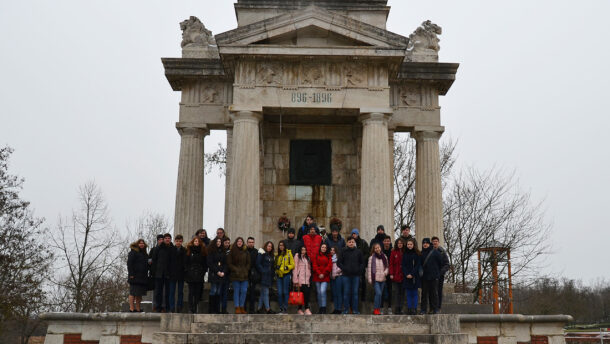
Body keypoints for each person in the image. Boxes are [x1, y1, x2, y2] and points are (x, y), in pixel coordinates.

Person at [338, 236, 365, 314]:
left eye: (352, 242)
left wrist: (359, 270)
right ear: (347, 243)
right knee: (346, 293)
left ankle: (355, 310)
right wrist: (344, 268)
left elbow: (362, 263)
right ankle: (346, 309)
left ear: (354, 243)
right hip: (346, 276)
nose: (351, 243)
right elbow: (339, 262)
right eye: (349, 242)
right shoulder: (343, 251)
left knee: (355, 293)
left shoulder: (359, 252)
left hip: (356, 276)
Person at [227, 237, 251, 314]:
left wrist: (246, 270)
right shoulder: (232, 251)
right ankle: (237, 307)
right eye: (238, 241)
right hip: (235, 275)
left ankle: (242, 306)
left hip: (244, 275)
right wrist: (236, 269)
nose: (239, 242)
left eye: (241, 241)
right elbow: (229, 263)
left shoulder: (246, 252)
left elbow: (249, 263)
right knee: (236, 291)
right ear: (236, 242)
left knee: (244, 291)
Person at [151, 233, 173, 312]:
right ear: (163, 239)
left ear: (170, 239)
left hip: (168, 274)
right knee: (158, 292)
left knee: (168, 292)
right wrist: (153, 272)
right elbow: (154, 260)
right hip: (159, 273)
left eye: (169, 238)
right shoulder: (158, 248)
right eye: (166, 238)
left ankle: (167, 307)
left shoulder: (172, 248)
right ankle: (158, 307)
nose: (167, 239)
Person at [185, 237, 207, 313]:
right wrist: (188, 271)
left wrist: (203, 272)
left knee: (197, 293)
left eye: (198, 241)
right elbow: (186, 263)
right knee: (191, 292)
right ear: (193, 242)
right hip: (191, 275)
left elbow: (205, 264)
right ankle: (190, 308)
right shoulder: (189, 251)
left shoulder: (203, 251)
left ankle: (195, 307)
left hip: (199, 275)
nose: (196, 242)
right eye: (195, 241)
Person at [420, 238, 442, 314]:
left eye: (426, 243)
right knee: (424, 294)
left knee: (434, 293)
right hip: (424, 277)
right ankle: (423, 309)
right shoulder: (421, 253)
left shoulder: (435, 252)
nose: (425, 244)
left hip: (434, 276)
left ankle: (435, 309)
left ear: (429, 244)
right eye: (424, 243)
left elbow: (441, 263)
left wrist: (437, 273)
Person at [127, 239, 149, 312]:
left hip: (142, 277)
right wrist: (131, 274)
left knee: (139, 294)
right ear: (137, 244)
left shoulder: (145, 254)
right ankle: (131, 308)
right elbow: (129, 264)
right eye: (140, 243)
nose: (141, 244)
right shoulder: (133, 252)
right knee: (132, 293)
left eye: (143, 243)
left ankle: (138, 309)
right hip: (134, 276)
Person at [367, 243, 388, 315]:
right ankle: (376, 309)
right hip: (375, 279)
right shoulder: (371, 258)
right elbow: (369, 269)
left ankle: (378, 309)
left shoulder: (384, 257)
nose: (377, 249)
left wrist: (385, 273)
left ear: (380, 248)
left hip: (383, 279)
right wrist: (370, 279)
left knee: (380, 294)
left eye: (378, 247)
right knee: (378, 293)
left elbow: (387, 267)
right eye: (375, 248)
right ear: (374, 249)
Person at [207, 238, 227, 314]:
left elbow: (225, 263)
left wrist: (223, 272)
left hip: (221, 274)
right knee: (214, 290)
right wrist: (217, 272)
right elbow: (210, 263)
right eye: (217, 241)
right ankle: (211, 309)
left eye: (220, 241)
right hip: (214, 274)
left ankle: (217, 309)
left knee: (218, 292)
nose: (218, 243)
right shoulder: (211, 251)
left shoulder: (223, 251)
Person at [402, 238, 421, 315]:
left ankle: (414, 309)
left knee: (415, 294)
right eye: (408, 244)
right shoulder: (405, 254)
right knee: (408, 294)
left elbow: (417, 265)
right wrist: (407, 274)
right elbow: (403, 265)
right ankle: (409, 309)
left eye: (411, 244)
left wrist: (412, 274)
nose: (409, 246)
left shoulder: (417, 254)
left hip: (415, 277)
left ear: (414, 245)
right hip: (407, 277)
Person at [168, 234, 187, 313]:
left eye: (180, 241)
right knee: (171, 292)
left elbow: (185, 262)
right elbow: (168, 262)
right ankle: (172, 307)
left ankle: (179, 306)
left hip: (181, 274)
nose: (178, 243)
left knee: (180, 292)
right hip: (172, 274)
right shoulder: (171, 250)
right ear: (175, 241)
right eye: (177, 241)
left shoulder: (184, 250)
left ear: (182, 241)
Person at [275, 240, 294, 314]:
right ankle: (280, 308)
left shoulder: (289, 253)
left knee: (285, 292)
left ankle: (285, 308)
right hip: (279, 275)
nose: (281, 247)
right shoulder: (277, 255)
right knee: (279, 293)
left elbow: (293, 265)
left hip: (286, 275)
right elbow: (275, 265)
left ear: (285, 246)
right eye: (280, 245)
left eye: (282, 245)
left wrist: (287, 267)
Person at [431, 236, 450, 311]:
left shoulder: (442, 252)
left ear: (438, 242)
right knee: (431, 291)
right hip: (431, 275)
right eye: (433, 241)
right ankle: (432, 307)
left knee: (438, 291)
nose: (435, 242)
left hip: (439, 275)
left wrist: (441, 272)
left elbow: (447, 264)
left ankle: (438, 306)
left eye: (436, 241)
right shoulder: (429, 251)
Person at [256, 241, 276, 314]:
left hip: (269, 276)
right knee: (266, 292)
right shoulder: (262, 253)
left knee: (262, 293)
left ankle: (259, 308)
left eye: (271, 246)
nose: (269, 247)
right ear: (265, 246)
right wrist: (263, 271)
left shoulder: (271, 255)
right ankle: (268, 309)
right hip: (263, 276)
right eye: (268, 246)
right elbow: (258, 264)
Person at [312, 243, 332, 314]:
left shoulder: (329, 256)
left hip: (325, 277)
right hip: (317, 276)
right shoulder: (316, 255)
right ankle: (320, 308)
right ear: (320, 248)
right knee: (318, 293)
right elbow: (314, 265)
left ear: (326, 249)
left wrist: (323, 273)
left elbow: (329, 266)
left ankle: (324, 308)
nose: (323, 248)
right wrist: (319, 273)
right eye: (322, 247)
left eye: (325, 247)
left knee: (323, 291)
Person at [293, 245, 313, 315]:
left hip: (306, 280)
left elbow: (309, 268)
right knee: (300, 295)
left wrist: (309, 276)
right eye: (302, 250)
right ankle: (299, 309)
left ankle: (307, 308)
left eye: (305, 250)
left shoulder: (308, 258)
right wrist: (295, 280)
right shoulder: (297, 256)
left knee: (307, 294)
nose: (303, 251)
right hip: (300, 280)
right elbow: (295, 268)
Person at [350, 229, 369, 301]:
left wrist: (361, 260)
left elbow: (367, 253)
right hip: (352, 266)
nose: (354, 235)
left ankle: (363, 296)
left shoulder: (363, 242)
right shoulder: (350, 242)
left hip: (361, 265)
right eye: (353, 234)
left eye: (355, 234)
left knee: (362, 281)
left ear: (358, 234)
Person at [389, 238, 405, 315]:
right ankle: (396, 308)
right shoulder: (393, 252)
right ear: (396, 244)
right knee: (396, 293)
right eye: (398, 243)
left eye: (401, 243)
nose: (400, 244)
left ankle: (401, 308)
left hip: (403, 276)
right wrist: (391, 273)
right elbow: (391, 264)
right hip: (395, 275)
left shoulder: (405, 252)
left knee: (402, 293)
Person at [245, 237, 260, 314]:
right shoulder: (244, 251)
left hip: (253, 275)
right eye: (249, 242)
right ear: (247, 243)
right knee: (244, 292)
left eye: (252, 242)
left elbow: (258, 264)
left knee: (252, 293)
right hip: (244, 274)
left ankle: (251, 309)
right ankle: (243, 309)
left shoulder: (257, 252)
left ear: (254, 243)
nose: (251, 243)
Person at [149, 234, 163, 311]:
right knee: (156, 291)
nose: (161, 241)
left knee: (162, 291)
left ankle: (161, 306)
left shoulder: (165, 249)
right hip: (155, 273)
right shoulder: (153, 249)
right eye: (159, 239)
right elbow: (150, 260)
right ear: (157, 240)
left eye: (162, 239)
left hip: (163, 273)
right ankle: (155, 305)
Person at [381, 235, 393, 314]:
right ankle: (381, 307)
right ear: (383, 242)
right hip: (381, 274)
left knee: (390, 290)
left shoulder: (392, 251)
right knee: (381, 291)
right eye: (385, 241)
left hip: (390, 274)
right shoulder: (380, 251)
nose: (386, 242)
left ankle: (390, 307)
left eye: (388, 241)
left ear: (390, 242)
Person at [329, 246, 343, 314]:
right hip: (332, 277)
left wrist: (337, 272)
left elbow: (341, 266)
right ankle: (336, 308)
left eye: (333, 250)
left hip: (338, 276)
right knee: (334, 293)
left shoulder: (339, 258)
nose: (332, 251)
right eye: (331, 250)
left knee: (338, 293)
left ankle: (339, 308)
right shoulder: (330, 259)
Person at [220, 237, 232, 313]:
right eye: (225, 243)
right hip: (220, 274)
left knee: (225, 293)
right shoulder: (219, 251)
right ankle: (218, 308)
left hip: (227, 275)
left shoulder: (230, 252)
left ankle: (224, 308)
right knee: (219, 292)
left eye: (228, 243)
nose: (227, 244)